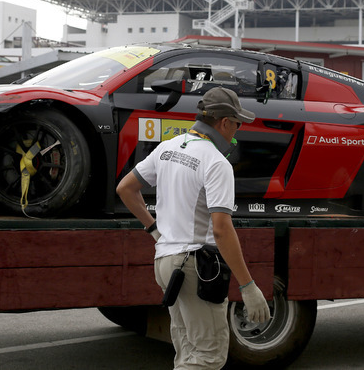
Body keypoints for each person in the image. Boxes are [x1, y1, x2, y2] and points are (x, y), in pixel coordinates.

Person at [116, 87, 271, 369]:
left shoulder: (167, 148)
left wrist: (153, 229)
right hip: (196, 267)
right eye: (237, 124)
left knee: (187, 352)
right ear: (224, 122)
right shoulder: (216, 163)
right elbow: (222, 230)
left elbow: (125, 188)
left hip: (165, 262)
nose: (237, 131)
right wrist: (248, 286)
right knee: (207, 357)